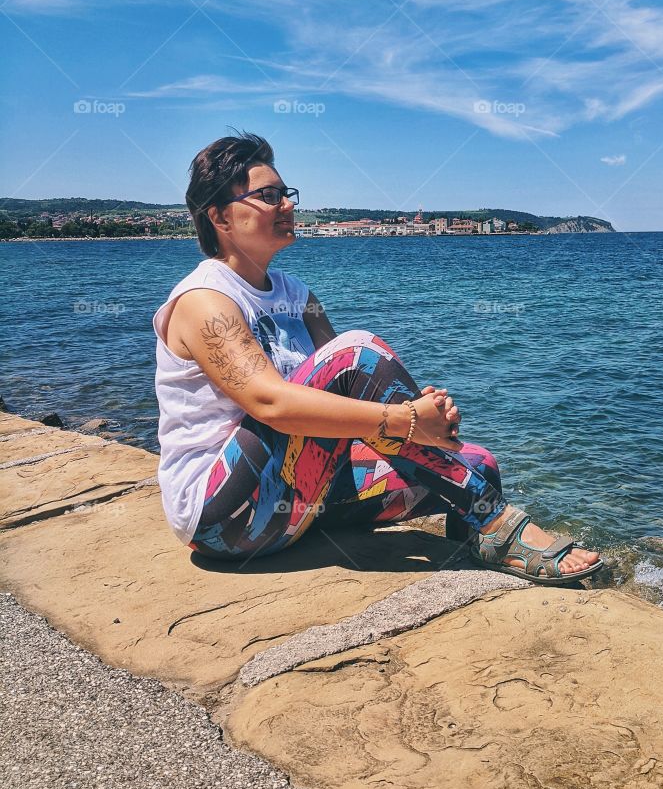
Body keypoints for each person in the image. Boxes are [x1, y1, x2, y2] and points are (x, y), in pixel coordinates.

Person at [152, 131, 603, 584]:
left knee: (477, 462)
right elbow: (273, 403)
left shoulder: (298, 296)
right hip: (226, 518)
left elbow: (343, 402)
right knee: (356, 352)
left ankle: (479, 548)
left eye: (286, 193)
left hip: (305, 501)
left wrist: (419, 417)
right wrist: (406, 418)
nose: (287, 205)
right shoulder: (205, 300)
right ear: (219, 216)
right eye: (268, 196)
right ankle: (499, 524)